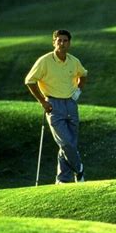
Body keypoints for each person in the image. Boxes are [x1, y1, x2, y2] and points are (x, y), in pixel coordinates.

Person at [25, 29, 88, 184]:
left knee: (69, 144)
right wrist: (42, 101)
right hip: (53, 105)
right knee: (65, 142)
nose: (62, 43)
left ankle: (63, 180)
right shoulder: (44, 61)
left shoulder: (73, 61)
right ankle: (79, 169)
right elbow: (30, 81)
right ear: (54, 42)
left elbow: (83, 74)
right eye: (58, 40)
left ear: (69, 43)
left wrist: (77, 92)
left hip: (71, 105)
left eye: (65, 40)